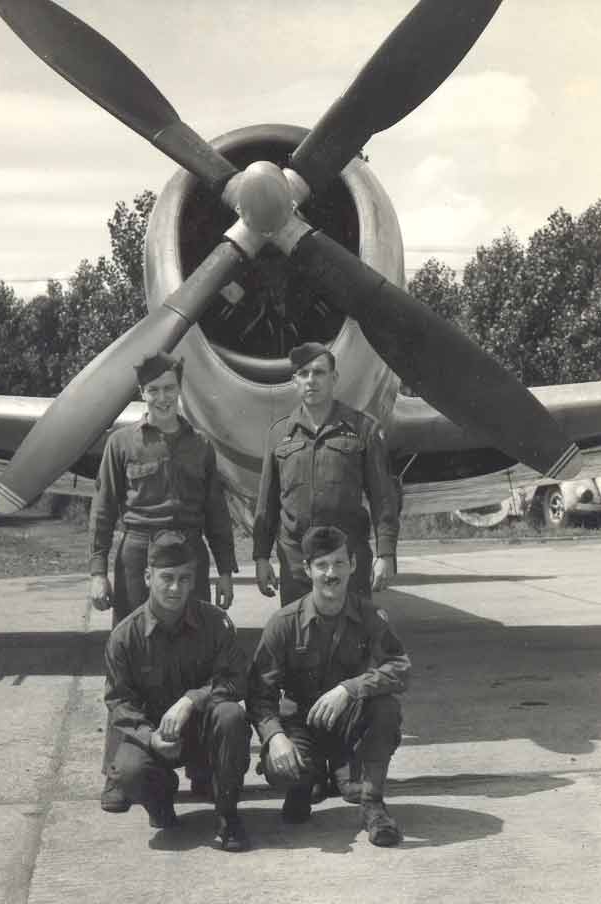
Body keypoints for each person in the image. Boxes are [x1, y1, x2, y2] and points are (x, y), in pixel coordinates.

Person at [247, 525, 410, 847]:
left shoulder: (370, 616)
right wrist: (275, 738)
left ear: (353, 564)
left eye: (338, 563)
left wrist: (350, 688)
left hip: (346, 725)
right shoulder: (284, 623)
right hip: (301, 728)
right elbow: (258, 694)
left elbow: (400, 667)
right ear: (307, 570)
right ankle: (307, 783)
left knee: (386, 707)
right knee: (287, 782)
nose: (330, 573)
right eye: (321, 565)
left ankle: (373, 805)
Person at [103, 530, 251, 852]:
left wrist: (192, 699)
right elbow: (119, 703)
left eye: (184, 579)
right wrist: (149, 736)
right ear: (147, 577)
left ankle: (228, 815)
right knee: (128, 771)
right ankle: (161, 804)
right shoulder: (125, 637)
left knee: (232, 715)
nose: (175, 587)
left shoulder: (215, 623)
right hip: (157, 737)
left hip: (203, 732)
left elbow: (237, 680)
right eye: (166, 577)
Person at [88, 350, 238, 619]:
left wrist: (225, 572)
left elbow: (217, 514)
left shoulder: (202, 445)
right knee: (135, 640)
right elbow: (103, 510)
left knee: (193, 642)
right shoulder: (120, 443)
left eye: (169, 388)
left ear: (180, 389)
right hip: (138, 554)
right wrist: (98, 573)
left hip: (189, 551)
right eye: (153, 390)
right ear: (141, 393)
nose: (162, 398)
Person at [252, 341, 400, 607]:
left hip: (347, 558)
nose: (311, 380)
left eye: (319, 373)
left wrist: (386, 553)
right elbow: (268, 503)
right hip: (296, 560)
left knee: (351, 640)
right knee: (299, 640)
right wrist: (261, 557)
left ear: (334, 378)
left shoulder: (363, 428)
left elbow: (383, 498)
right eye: (304, 373)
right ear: (294, 381)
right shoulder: (279, 434)